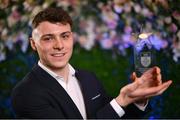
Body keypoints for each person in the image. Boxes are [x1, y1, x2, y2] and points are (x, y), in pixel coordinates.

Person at [11, 7, 172, 119]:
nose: (59, 45)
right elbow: (113, 110)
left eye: (65, 36)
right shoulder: (25, 93)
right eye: (48, 38)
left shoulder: (88, 79)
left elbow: (113, 116)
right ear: (33, 43)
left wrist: (137, 100)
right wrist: (121, 100)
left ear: (72, 38)